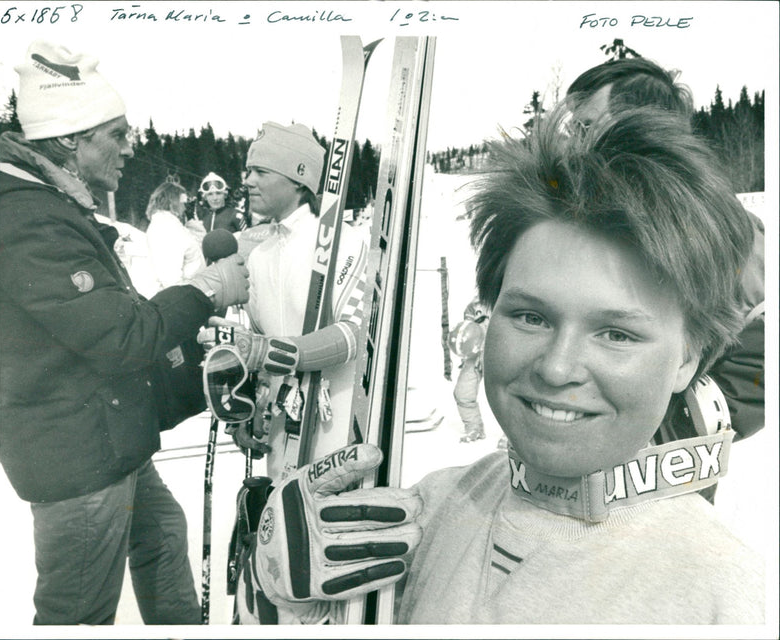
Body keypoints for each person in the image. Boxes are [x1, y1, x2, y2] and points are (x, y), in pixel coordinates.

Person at [235, 106, 764, 624]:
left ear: (687, 359)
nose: (557, 369)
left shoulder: (723, 595)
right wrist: (289, 604)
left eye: (616, 334)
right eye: (531, 317)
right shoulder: (421, 513)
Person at [0, 40, 250, 625]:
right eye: (117, 133)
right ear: (69, 139)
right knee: (79, 610)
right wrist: (207, 289)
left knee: (163, 537)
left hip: (110, 438)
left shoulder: (57, 205)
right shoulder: (27, 219)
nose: (131, 146)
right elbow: (121, 336)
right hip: (80, 455)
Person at [566, 56, 765, 443]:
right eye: (571, 126)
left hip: (656, 476)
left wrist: (671, 435)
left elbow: (765, 344)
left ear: (641, 121)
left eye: (585, 125)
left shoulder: (717, 221)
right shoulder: (585, 205)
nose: (572, 139)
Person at [201, 121, 368, 480]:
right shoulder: (259, 255)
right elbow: (260, 344)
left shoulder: (344, 242)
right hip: (282, 432)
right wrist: (248, 408)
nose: (247, 181)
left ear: (298, 178)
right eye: (247, 171)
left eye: (260, 171)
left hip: (334, 429)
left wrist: (267, 351)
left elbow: (354, 334)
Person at [144, 181, 205, 293]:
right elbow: (170, 277)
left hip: (192, 291)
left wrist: (191, 219)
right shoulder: (165, 228)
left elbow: (198, 245)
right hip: (184, 297)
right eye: (183, 202)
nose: (185, 207)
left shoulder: (173, 225)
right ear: (173, 201)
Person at [450, 296, 489, 443]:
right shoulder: (475, 304)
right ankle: (474, 427)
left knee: (511, 395)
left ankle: (512, 436)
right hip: (477, 353)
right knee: (462, 392)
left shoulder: (508, 298)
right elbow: (468, 330)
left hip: (502, 353)